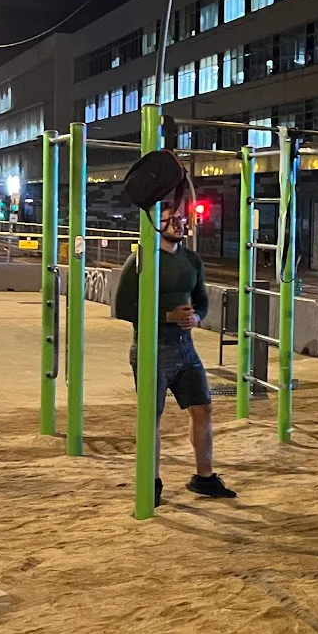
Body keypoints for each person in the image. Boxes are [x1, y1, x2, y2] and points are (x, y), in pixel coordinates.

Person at [114, 197, 235, 501]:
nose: (180, 223)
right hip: (152, 348)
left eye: (182, 218)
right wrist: (166, 316)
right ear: (157, 222)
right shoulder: (142, 259)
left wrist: (197, 317)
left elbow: (202, 300)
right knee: (150, 417)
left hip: (185, 349)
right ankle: (151, 483)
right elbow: (123, 306)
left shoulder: (192, 260)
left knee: (203, 407)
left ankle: (204, 478)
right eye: (173, 218)